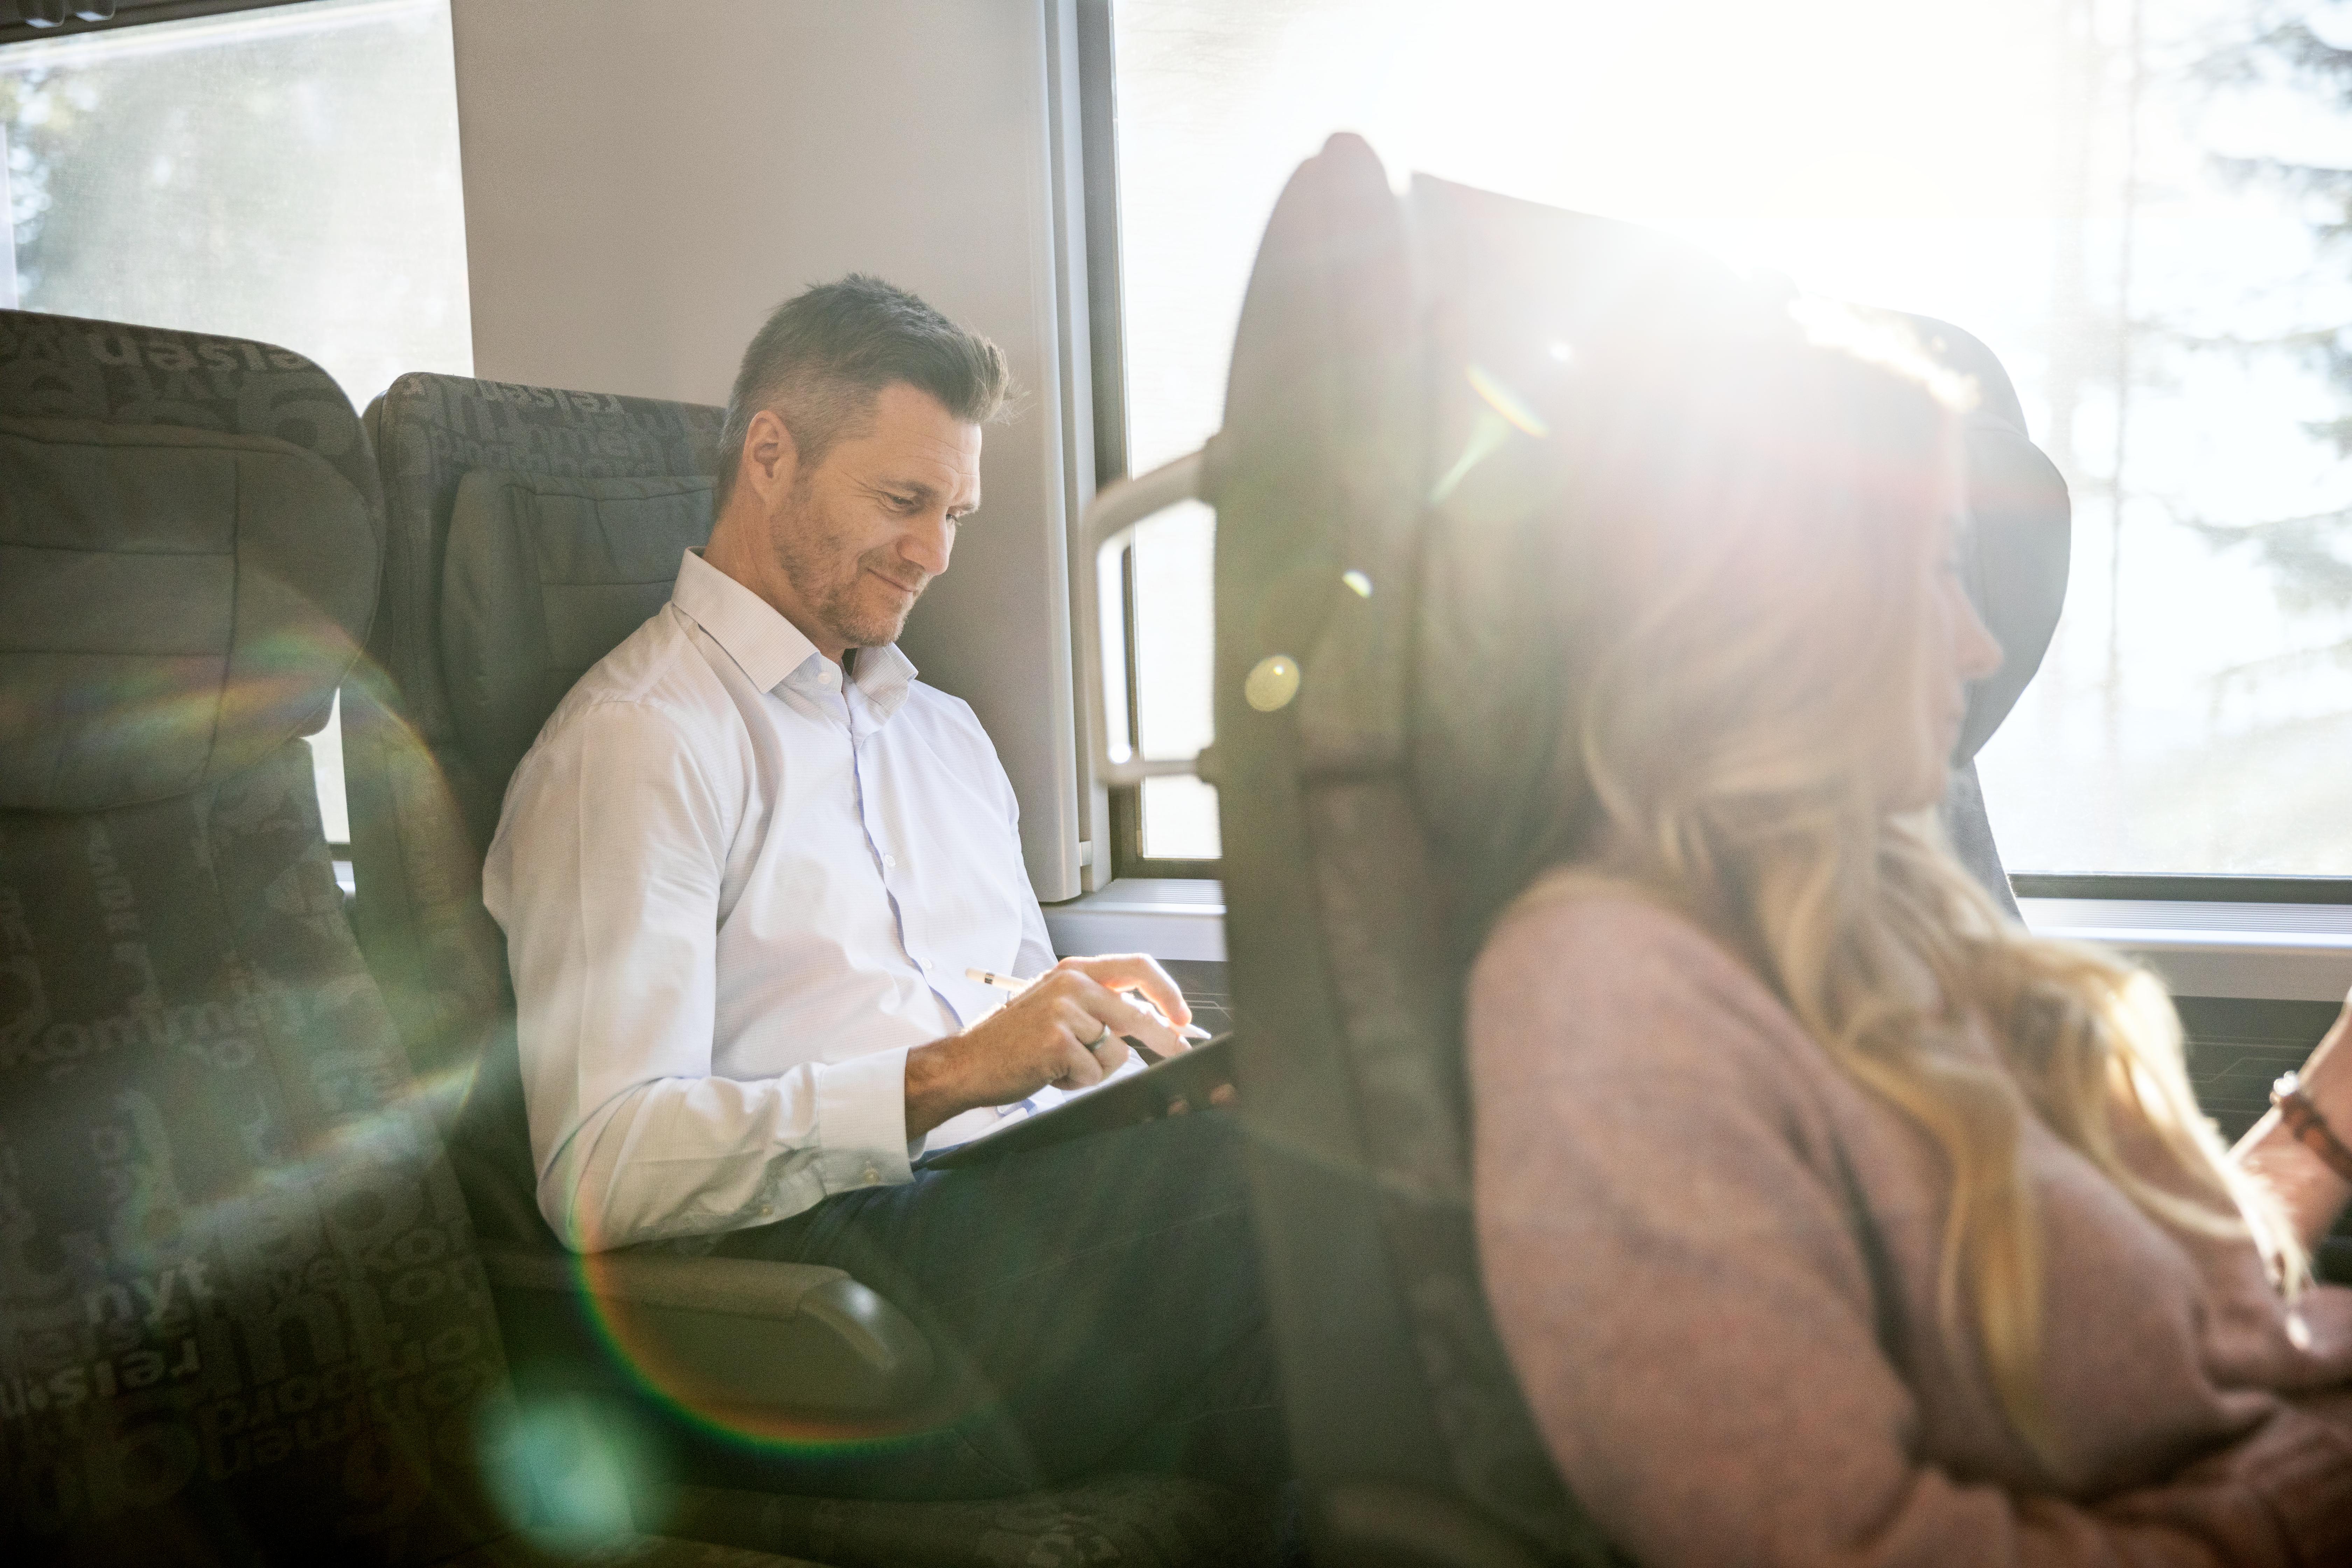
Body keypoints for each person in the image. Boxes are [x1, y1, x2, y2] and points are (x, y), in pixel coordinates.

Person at [1465, 306, 2352, 1563]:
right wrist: (2307, 1500)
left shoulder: (1897, 915)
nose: (1984, 643)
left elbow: (2180, 1340)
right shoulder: (1610, 1006)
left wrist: (2331, 1105)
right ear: (1798, 608)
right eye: (1942, 568)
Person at [483, 275, 1280, 1498]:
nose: (936, 553)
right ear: (771, 454)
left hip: (1001, 1203)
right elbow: (601, 1170)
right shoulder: (642, 743)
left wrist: (1094, 1043)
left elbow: (992, 1004)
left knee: (1308, 1136)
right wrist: (947, 1077)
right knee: (1289, 1190)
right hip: (828, 1290)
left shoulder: (944, 733)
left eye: (954, 510)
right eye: (903, 501)